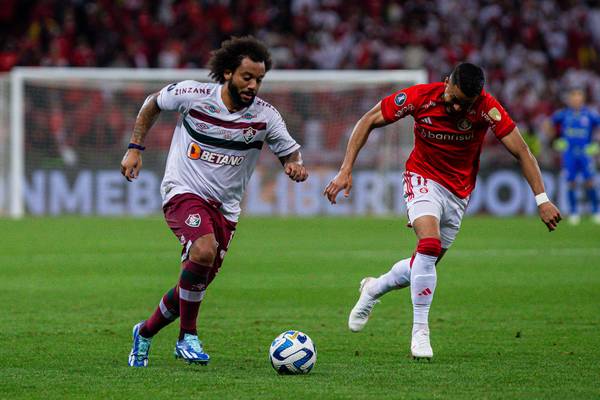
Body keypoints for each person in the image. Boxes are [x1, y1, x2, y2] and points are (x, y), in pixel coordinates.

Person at [324, 63, 561, 360]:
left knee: (423, 265)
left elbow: (522, 151)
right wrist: (346, 169)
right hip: (422, 177)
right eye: (454, 96)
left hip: (459, 193)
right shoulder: (420, 97)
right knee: (429, 245)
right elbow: (369, 119)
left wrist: (542, 199)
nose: (457, 105)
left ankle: (373, 288)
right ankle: (420, 332)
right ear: (446, 82)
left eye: (466, 102)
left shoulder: (487, 108)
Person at [121, 36, 308, 367]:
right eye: (247, 77)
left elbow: (288, 151)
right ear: (227, 74)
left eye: (259, 79)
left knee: (192, 285)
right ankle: (187, 337)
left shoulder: (266, 117)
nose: (253, 85)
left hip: (226, 209)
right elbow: (153, 103)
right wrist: (135, 148)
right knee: (203, 251)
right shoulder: (192, 95)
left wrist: (293, 165)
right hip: (184, 191)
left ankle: (145, 333)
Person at [544, 88, 600, 225]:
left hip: (585, 153)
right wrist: (554, 140)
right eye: (573, 97)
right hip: (569, 153)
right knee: (571, 182)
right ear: (569, 99)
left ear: (583, 99)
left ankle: (596, 211)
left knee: (590, 182)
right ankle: (574, 212)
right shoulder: (563, 114)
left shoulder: (589, 114)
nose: (576, 100)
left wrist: (596, 144)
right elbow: (547, 124)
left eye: (578, 97)